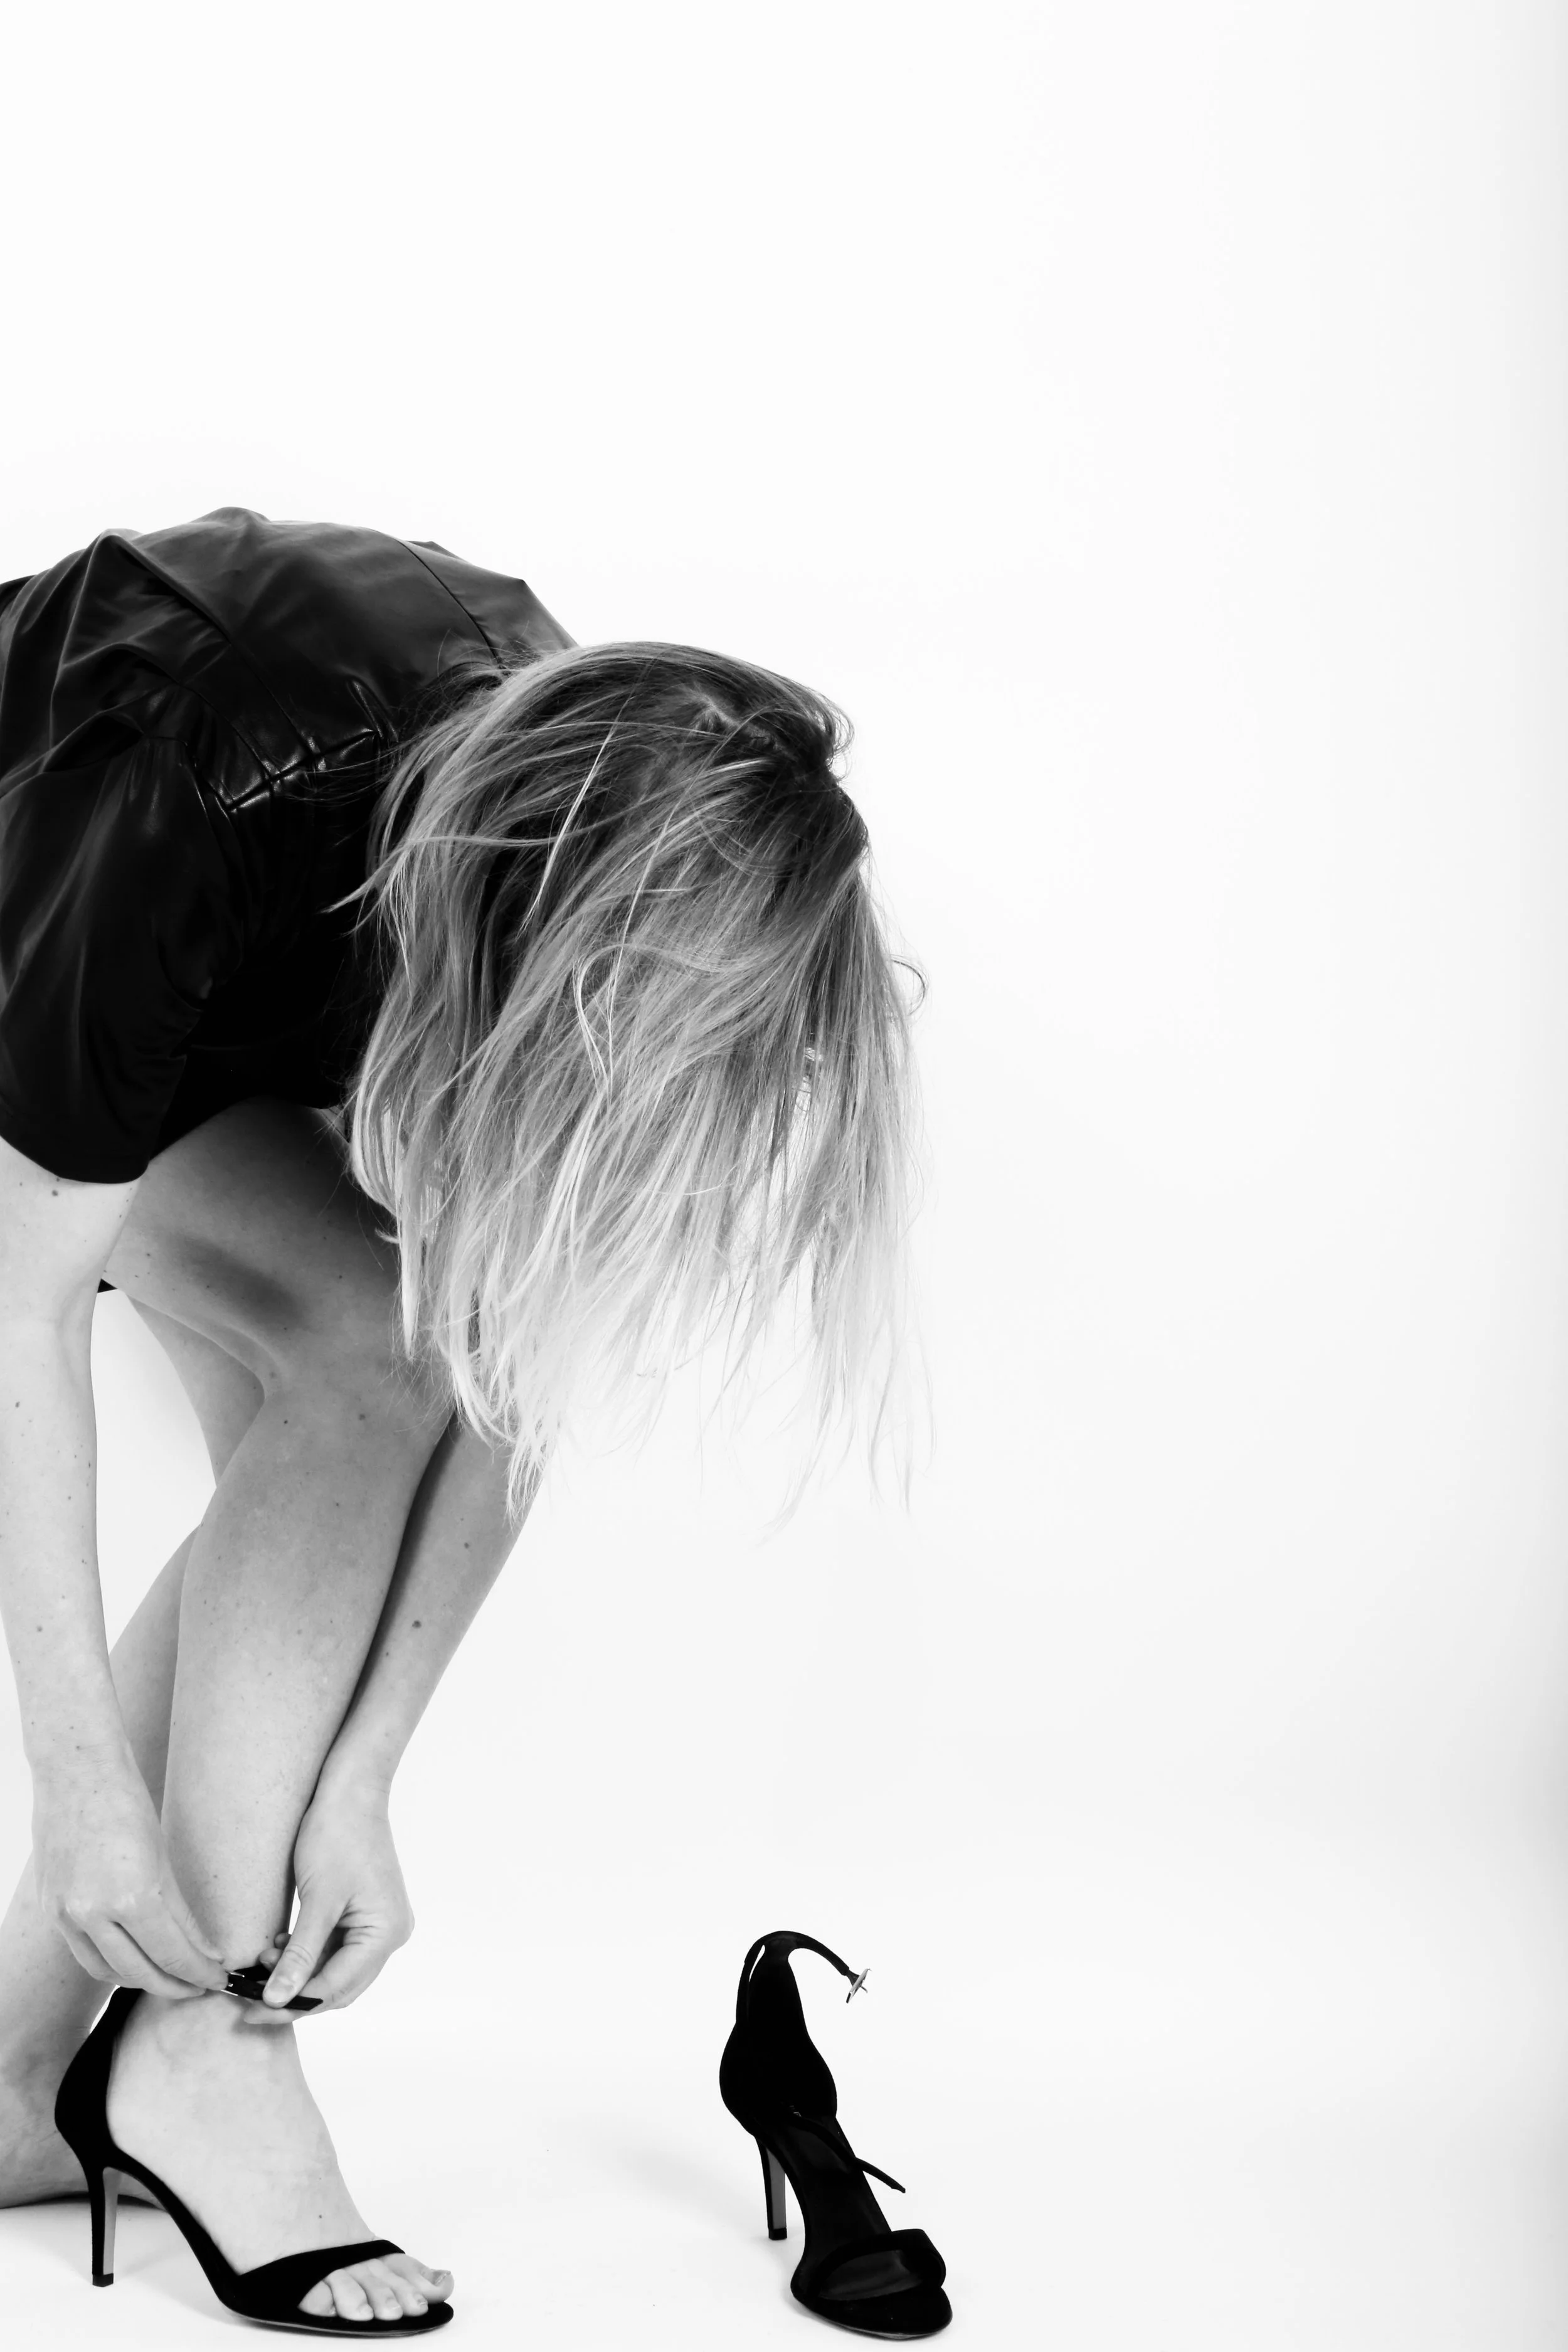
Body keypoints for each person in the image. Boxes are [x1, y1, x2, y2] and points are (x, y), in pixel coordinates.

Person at [0, 509, 920, 2333]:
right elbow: (20, 1317)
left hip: (250, 975)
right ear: (531, 909)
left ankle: (50, 2063)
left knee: (396, 1350)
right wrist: (83, 1784)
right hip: (60, 911)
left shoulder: (617, 808)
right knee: (354, 1338)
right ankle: (204, 2046)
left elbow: (506, 1364)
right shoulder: (217, 783)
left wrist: (364, 1778)